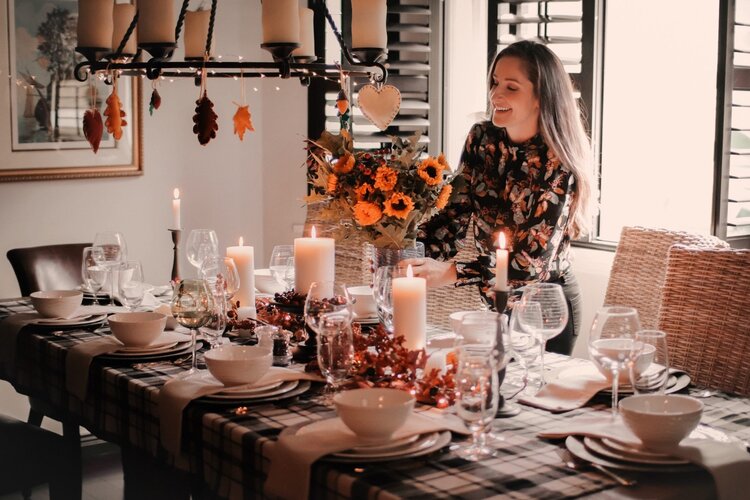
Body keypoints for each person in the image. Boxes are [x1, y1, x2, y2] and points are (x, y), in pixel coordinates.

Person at [402, 40, 593, 355]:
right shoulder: (482, 139)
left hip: (545, 306)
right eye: (494, 83)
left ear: (540, 97)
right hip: (496, 302)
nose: (496, 95)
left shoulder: (557, 163)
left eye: (511, 87)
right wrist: (405, 251)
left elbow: (528, 266)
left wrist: (448, 273)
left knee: (530, 397)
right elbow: (455, 215)